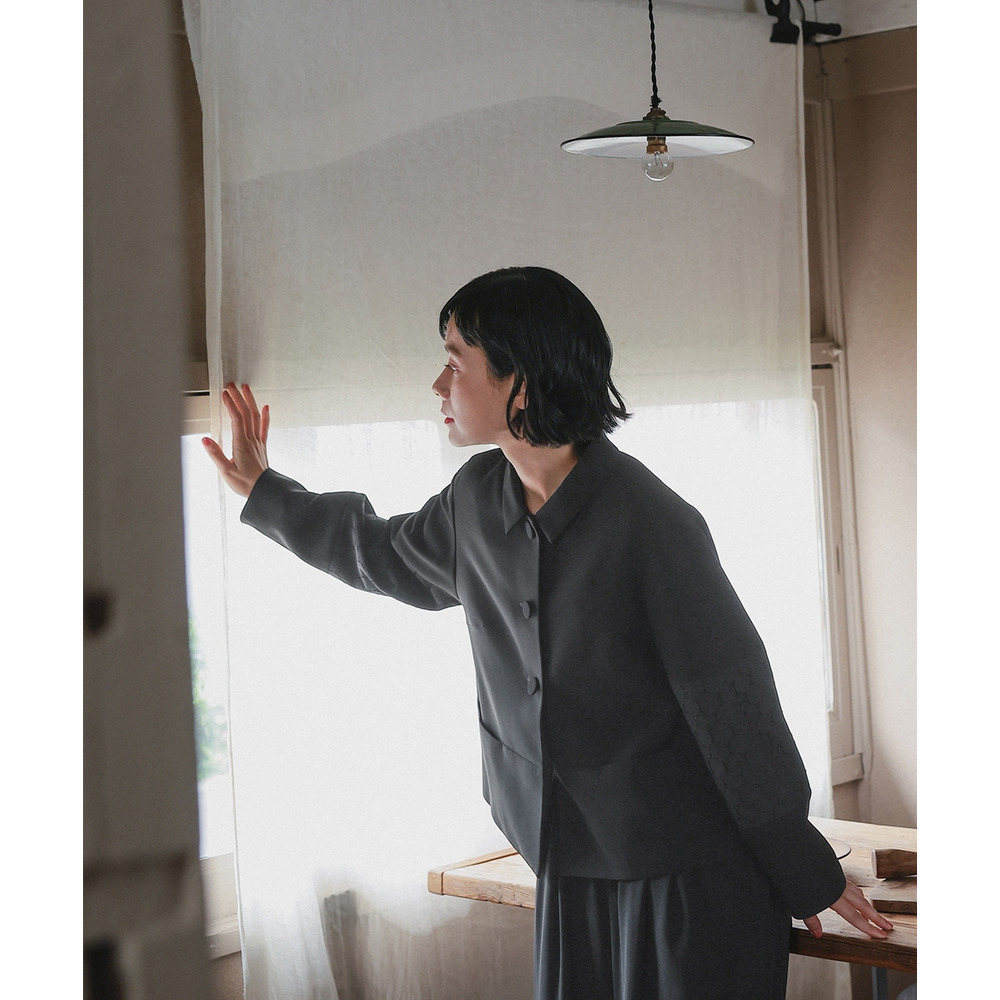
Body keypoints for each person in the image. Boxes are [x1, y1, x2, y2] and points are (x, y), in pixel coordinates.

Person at [203, 266, 892, 1000]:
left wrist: (804, 867)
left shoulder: (652, 524)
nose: (438, 384)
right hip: (567, 863)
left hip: (690, 877)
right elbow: (379, 551)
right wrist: (267, 493)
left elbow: (733, 708)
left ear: (521, 384)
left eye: (455, 361)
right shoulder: (475, 500)